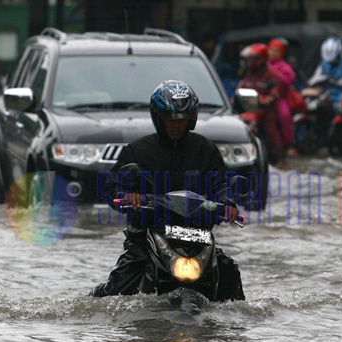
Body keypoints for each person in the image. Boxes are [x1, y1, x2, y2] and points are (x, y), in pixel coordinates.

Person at [91, 80, 245, 300]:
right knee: (118, 288)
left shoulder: (206, 149)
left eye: (181, 120)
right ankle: (95, 304)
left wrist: (227, 201)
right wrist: (125, 196)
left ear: (191, 119)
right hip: (146, 235)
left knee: (229, 272)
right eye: (170, 119)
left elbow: (220, 184)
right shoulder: (138, 150)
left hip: (197, 236)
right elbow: (112, 185)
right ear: (158, 118)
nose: (176, 125)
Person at [237, 43, 289, 169]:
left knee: (270, 130)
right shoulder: (250, 73)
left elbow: (276, 90)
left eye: (250, 59)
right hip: (248, 109)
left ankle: (279, 158)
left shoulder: (270, 74)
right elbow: (241, 86)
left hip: (265, 110)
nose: (248, 62)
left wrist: (269, 98)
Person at [266, 39, 298, 157]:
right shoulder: (262, 64)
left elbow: (288, 81)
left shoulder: (285, 67)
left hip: (280, 98)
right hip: (264, 97)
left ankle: (289, 144)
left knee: (284, 116)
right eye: (271, 50)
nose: (274, 53)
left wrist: (276, 73)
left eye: (277, 50)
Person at [307, 37, 342, 111]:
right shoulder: (323, 64)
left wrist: (334, 81)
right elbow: (314, 78)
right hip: (325, 96)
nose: (331, 63)